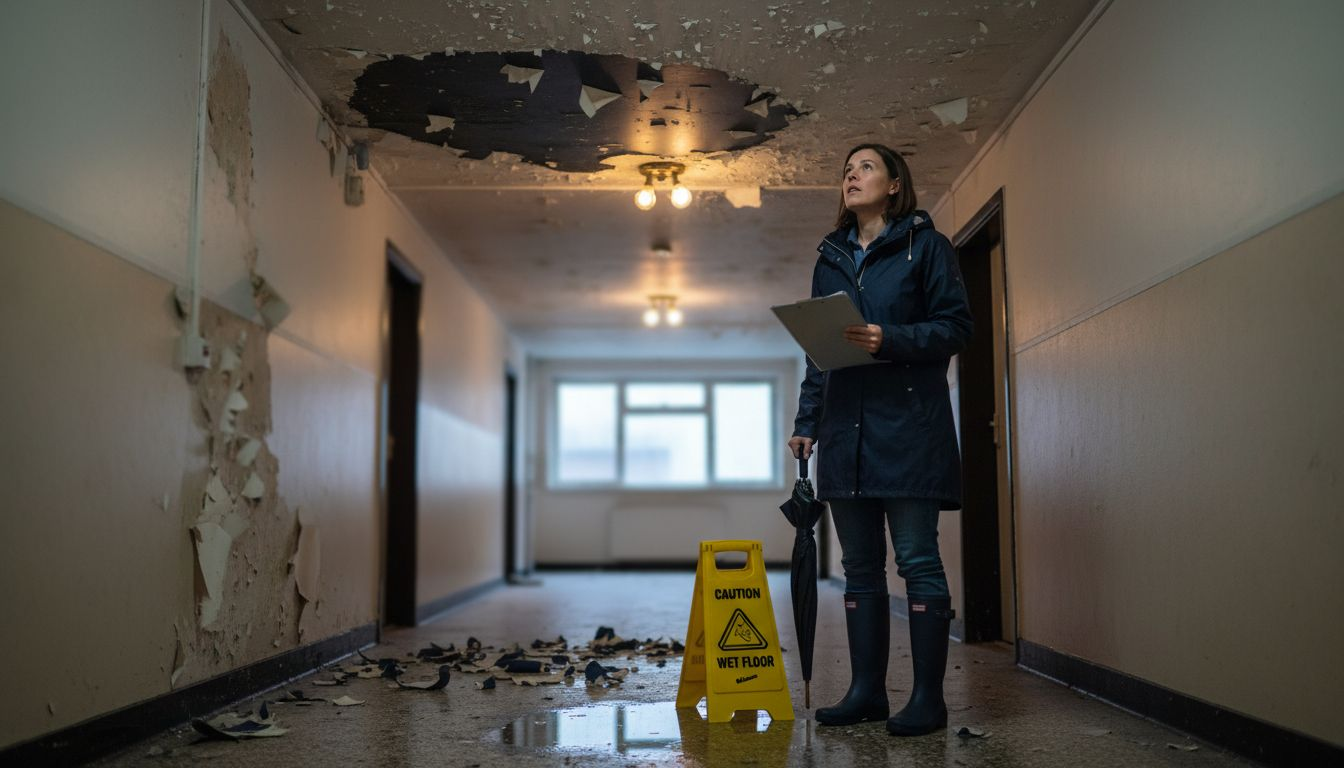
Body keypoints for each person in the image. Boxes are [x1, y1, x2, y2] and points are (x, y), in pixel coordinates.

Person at [788, 143, 973, 736]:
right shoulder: (831, 257)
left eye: (866, 167)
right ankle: (866, 693)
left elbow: (955, 328)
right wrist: (807, 420)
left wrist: (885, 337)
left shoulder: (927, 247)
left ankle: (927, 700)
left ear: (895, 184)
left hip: (909, 430)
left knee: (917, 561)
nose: (851, 174)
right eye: (847, 168)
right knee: (860, 566)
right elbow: (821, 350)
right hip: (846, 432)